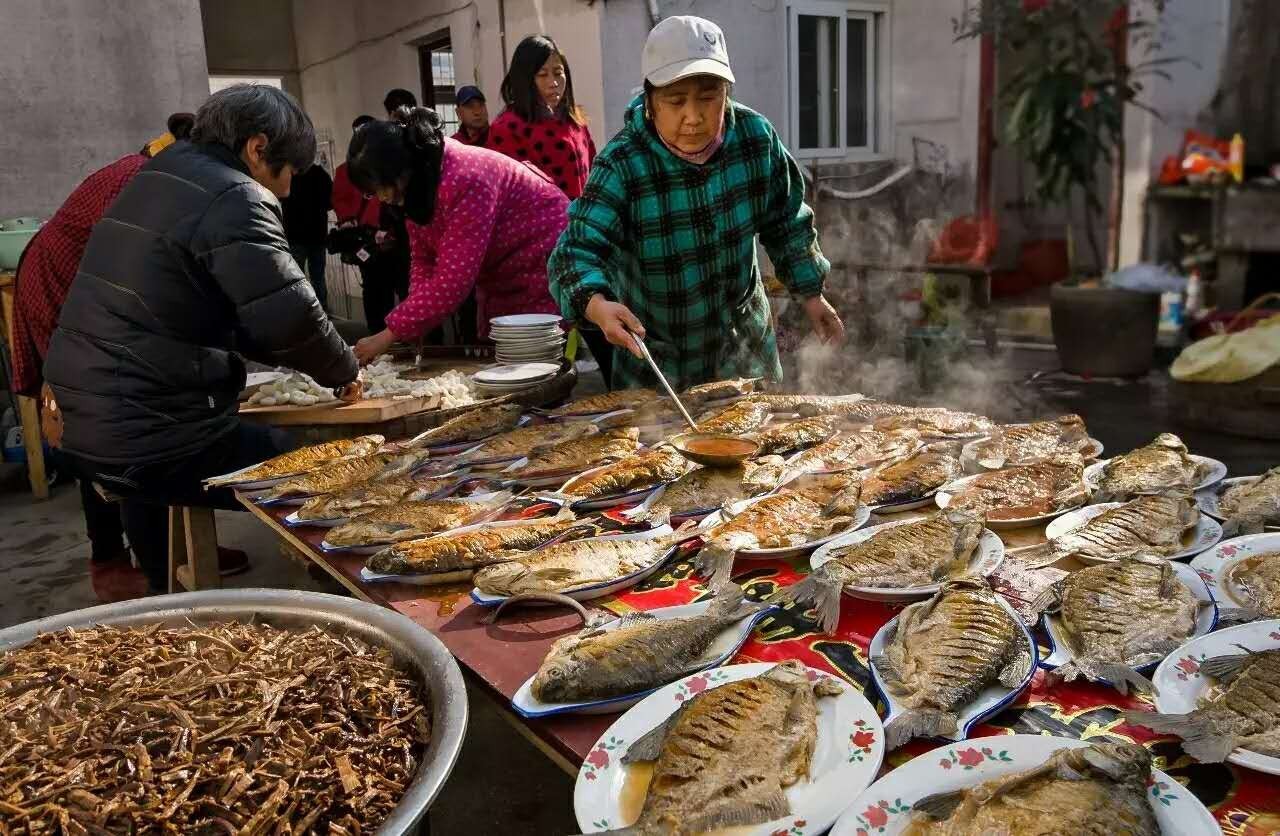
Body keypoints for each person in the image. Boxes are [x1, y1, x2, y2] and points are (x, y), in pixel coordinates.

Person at [44, 84, 362, 594]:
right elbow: (288, 315)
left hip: (87, 425)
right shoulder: (235, 195)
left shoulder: (158, 176)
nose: (287, 190)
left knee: (145, 471)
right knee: (311, 466)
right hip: (148, 435)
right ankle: (349, 605)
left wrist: (303, 361)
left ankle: (162, 593)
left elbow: (241, 313)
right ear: (258, 149)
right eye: (290, 173)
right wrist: (343, 369)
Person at [547, 16, 845, 391]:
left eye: (708, 98)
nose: (694, 116)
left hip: (744, 351)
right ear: (650, 101)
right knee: (655, 449)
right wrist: (596, 305)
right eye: (676, 101)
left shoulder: (755, 139)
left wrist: (812, 294)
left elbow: (786, 222)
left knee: (761, 445)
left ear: (726, 93)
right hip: (656, 366)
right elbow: (574, 253)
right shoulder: (623, 163)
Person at [11, 114, 197, 602]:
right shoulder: (141, 181)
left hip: (80, 288)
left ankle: (179, 549)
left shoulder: (151, 174)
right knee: (95, 416)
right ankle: (111, 557)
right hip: (60, 289)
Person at [346, 107, 567, 364]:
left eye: (382, 186)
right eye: (373, 192)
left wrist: (389, 334)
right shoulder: (419, 182)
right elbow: (424, 258)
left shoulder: (466, 178)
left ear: (402, 167)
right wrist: (416, 321)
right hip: (502, 271)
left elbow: (453, 282)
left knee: (533, 362)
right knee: (507, 357)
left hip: (543, 258)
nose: (383, 197)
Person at [485, 35, 596, 199]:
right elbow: (507, 195)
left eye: (558, 73)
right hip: (541, 223)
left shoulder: (575, 120)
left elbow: (595, 172)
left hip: (584, 221)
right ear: (525, 79)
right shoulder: (507, 128)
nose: (553, 82)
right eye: (543, 75)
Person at [331, 115, 410, 333]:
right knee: (375, 290)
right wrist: (349, 221)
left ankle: (407, 333)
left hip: (396, 239)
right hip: (367, 240)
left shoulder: (392, 170)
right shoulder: (345, 171)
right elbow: (340, 200)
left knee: (405, 286)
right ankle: (378, 331)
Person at [282, 162, 334, 310]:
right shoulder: (320, 174)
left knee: (296, 278)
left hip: (294, 234)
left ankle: (302, 313)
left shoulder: (289, 173)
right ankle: (322, 311)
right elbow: (330, 202)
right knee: (318, 276)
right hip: (317, 234)